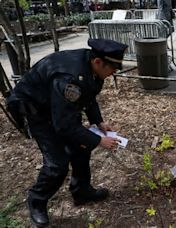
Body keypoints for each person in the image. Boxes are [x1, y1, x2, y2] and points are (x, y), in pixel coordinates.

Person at [6, 38, 128, 227]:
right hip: (37, 111)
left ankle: (81, 191)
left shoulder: (90, 68)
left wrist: (98, 121)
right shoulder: (69, 78)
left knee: (81, 146)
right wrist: (98, 141)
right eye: (112, 69)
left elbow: (89, 97)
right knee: (57, 164)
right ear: (97, 62)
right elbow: (64, 126)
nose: (113, 73)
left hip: (60, 108)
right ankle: (36, 201)